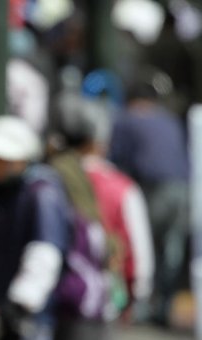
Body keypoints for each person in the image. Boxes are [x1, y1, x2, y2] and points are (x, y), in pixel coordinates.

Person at [0, 116, 71, 340]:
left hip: (28, 318)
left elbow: (45, 252)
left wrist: (22, 302)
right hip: (1, 309)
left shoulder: (42, 194)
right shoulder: (5, 193)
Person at [57, 95, 155, 321]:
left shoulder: (51, 177)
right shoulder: (124, 188)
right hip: (104, 297)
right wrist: (137, 292)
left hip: (61, 295)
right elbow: (139, 251)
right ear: (100, 142)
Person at [108, 71, 189, 326]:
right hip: (184, 190)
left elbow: (115, 162)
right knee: (172, 251)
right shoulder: (171, 120)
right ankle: (164, 308)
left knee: (143, 247)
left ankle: (140, 307)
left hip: (152, 190)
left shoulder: (126, 120)